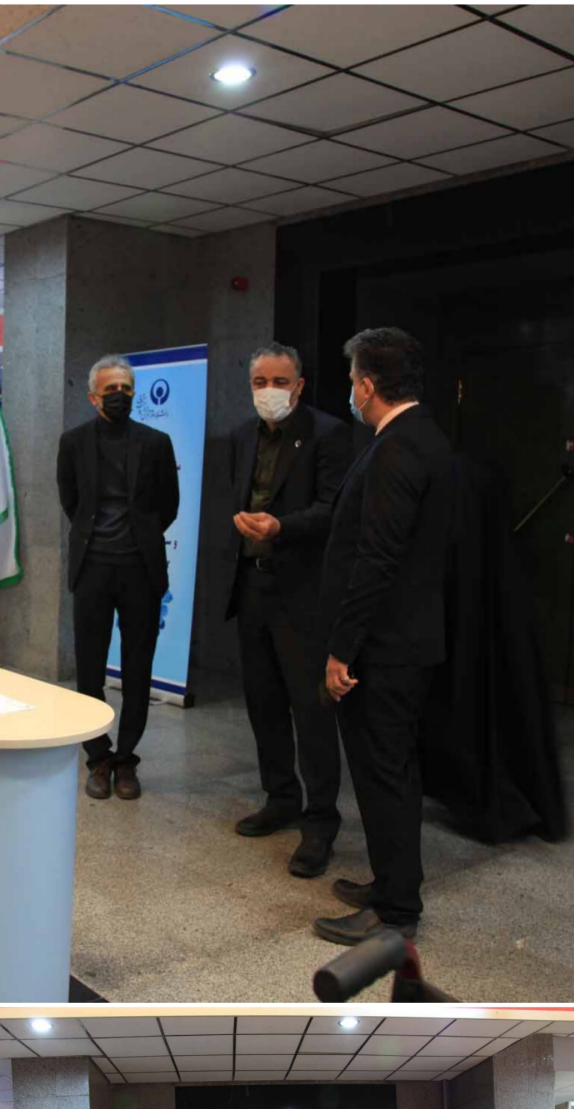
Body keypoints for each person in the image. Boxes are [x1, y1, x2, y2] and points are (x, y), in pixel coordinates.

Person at [316, 328, 454, 946]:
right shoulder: (423, 436)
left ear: (368, 386)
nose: (350, 391)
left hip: (385, 649)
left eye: (352, 381)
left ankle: (396, 911)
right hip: (405, 642)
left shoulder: (398, 447)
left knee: (384, 774)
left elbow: (376, 559)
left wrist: (342, 649)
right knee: (388, 772)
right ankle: (390, 882)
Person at [222, 343, 356, 877]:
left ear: (299, 385)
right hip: (251, 586)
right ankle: (281, 798)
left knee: (311, 710)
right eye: (260, 382)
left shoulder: (328, 433)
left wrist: (281, 527)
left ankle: (320, 823)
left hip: (303, 592)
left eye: (279, 382)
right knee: (264, 704)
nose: (269, 391)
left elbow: (333, 510)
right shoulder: (240, 435)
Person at [58, 355, 179, 801]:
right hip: (91, 568)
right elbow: (71, 501)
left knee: (137, 669)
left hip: (140, 570)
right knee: (89, 669)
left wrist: (138, 536)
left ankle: (126, 758)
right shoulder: (73, 442)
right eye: (111, 389)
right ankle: (98, 757)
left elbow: (168, 505)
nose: (120, 395)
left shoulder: (156, 443)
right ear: (93, 397)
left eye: (126, 388)